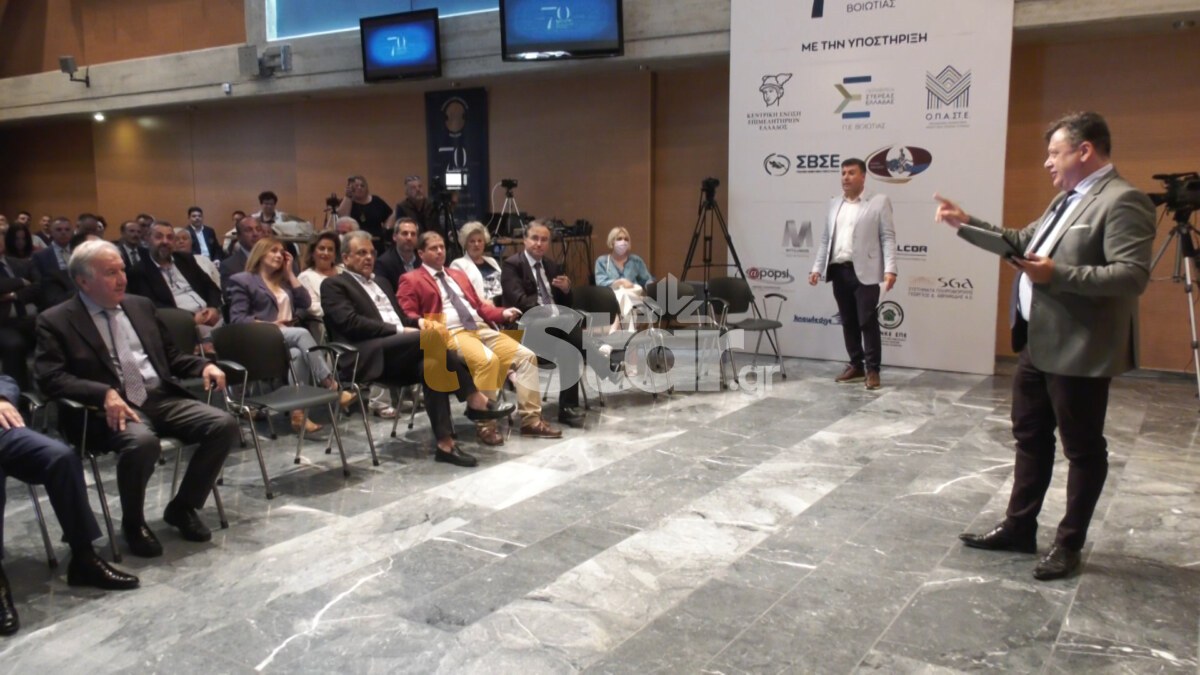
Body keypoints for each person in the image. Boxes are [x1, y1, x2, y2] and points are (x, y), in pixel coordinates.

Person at [938, 111, 1156, 581]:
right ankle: (1019, 528)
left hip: (1080, 348)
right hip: (1037, 342)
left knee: (1082, 449)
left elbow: (1132, 276)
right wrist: (965, 223)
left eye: (1055, 152)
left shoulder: (1123, 200)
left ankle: (1068, 543)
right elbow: (1021, 241)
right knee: (1030, 438)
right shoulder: (1065, 200)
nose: (1047, 162)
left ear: (1085, 150)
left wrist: (1057, 274)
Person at [34, 240, 239, 558]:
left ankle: (183, 507)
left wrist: (203, 365)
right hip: (106, 409)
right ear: (83, 281)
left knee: (223, 424)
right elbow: (50, 378)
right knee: (142, 443)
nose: (122, 279)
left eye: (122, 270)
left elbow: (170, 357)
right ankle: (133, 522)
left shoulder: (140, 306)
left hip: (158, 396)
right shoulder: (56, 319)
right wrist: (103, 393)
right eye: (110, 273)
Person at [321, 231, 515, 465]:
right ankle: (475, 399)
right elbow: (351, 324)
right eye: (361, 253)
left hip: (400, 354)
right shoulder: (334, 285)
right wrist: (402, 331)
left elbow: (402, 317)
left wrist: (418, 322)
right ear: (345, 258)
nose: (369, 257)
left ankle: (445, 445)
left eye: (371, 252)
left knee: (432, 366)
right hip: (366, 355)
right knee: (432, 339)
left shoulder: (381, 282)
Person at [1, 374, 140, 636]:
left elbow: (5, 378)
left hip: (4, 432)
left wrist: (2, 398)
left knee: (61, 457)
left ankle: (83, 557)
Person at [401, 232, 564, 442]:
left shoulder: (457, 274)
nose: (440, 251)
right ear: (421, 253)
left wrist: (502, 313)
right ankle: (486, 425)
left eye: (442, 247)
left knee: (526, 357)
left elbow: (479, 306)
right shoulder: (411, 279)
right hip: (450, 332)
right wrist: (423, 323)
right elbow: (407, 315)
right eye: (434, 248)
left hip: (479, 327)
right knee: (488, 361)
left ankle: (531, 421)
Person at [226, 237, 353, 433]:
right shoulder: (243, 280)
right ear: (260, 254)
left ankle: (298, 415)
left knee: (298, 355)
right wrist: (271, 326)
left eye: (281, 252)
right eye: (273, 251)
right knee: (302, 333)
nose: (279, 255)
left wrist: (290, 273)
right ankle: (331, 385)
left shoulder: (284, 282)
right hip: (260, 342)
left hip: (286, 344)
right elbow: (237, 319)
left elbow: (305, 303)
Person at [808, 157, 898, 391]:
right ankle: (856, 365)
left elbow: (887, 237)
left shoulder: (878, 202)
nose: (845, 177)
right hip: (839, 270)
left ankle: (873, 370)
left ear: (863, 177)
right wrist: (817, 268)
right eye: (843, 173)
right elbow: (826, 239)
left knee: (867, 320)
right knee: (848, 321)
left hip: (866, 272)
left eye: (851, 173)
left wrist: (890, 269)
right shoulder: (834, 203)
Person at [501, 221, 587, 429]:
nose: (539, 243)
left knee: (569, 348)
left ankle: (567, 409)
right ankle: (596, 352)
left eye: (544, 240)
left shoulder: (552, 266)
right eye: (534, 238)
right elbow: (520, 302)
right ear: (525, 240)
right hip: (525, 329)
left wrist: (566, 290)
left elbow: (566, 304)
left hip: (554, 332)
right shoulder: (512, 265)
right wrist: (550, 313)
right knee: (569, 320)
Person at [127, 222, 223, 342]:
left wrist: (213, 308)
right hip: (181, 325)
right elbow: (153, 308)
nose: (165, 241)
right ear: (147, 240)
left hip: (211, 314)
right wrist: (192, 318)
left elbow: (210, 287)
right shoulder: (139, 271)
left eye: (170, 237)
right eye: (159, 237)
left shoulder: (185, 259)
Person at [0, 231, 39, 390]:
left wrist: (14, 295)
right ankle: (17, 394)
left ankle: (56, 390)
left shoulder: (19, 263)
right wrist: (20, 281)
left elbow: (39, 286)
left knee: (61, 333)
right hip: (3, 323)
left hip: (29, 318)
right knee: (14, 345)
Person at [594, 226, 654, 328]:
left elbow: (648, 280)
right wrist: (620, 282)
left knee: (626, 295)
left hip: (634, 297)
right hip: (610, 299)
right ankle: (629, 330)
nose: (623, 242)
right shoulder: (602, 261)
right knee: (622, 294)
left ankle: (615, 329)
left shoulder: (636, 261)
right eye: (619, 239)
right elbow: (600, 283)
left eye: (626, 239)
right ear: (612, 242)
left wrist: (653, 289)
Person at [450, 221, 504, 306]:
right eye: (472, 241)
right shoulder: (458, 264)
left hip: (503, 303)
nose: (476, 244)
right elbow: (461, 294)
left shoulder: (492, 261)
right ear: (465, 244)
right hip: (482, 307)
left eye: (480, 241)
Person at [30, 216, 76, 310]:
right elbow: (39, 284)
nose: (63, 232)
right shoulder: (40, 256)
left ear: (72, 232)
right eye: (59, 230)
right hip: (53, 301)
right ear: (51, 232)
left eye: (67, 229)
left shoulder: (79, 252)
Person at [337, 175, 392, 251]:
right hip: (356, 242)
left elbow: (390, 215)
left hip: (377, 242)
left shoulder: (376, 201)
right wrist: (348, 196)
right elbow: (343, 217)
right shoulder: (348, 202)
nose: (359, 188)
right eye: (356, 186)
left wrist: (386, 229)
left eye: (362, 186)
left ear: (367, 188)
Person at [297, 231, 342, 322]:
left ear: (335, 254)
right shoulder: (306, 277)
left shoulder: (344, 271)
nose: (326, 253)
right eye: (322, 248)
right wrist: (340, 310)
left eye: (330, 249)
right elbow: (312, 307)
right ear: (313, 253)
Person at [219, 215, 264, 287]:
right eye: (249, 230)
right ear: (239, 237)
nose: (255, 234)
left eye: (258, 229)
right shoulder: (229, 266)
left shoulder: (274, 260)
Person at [375, 218, 421, 289]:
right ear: (394, 237)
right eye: (405, 233)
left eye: (413, 234)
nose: (409, 238)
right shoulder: (384, 263)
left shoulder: (423, 259)